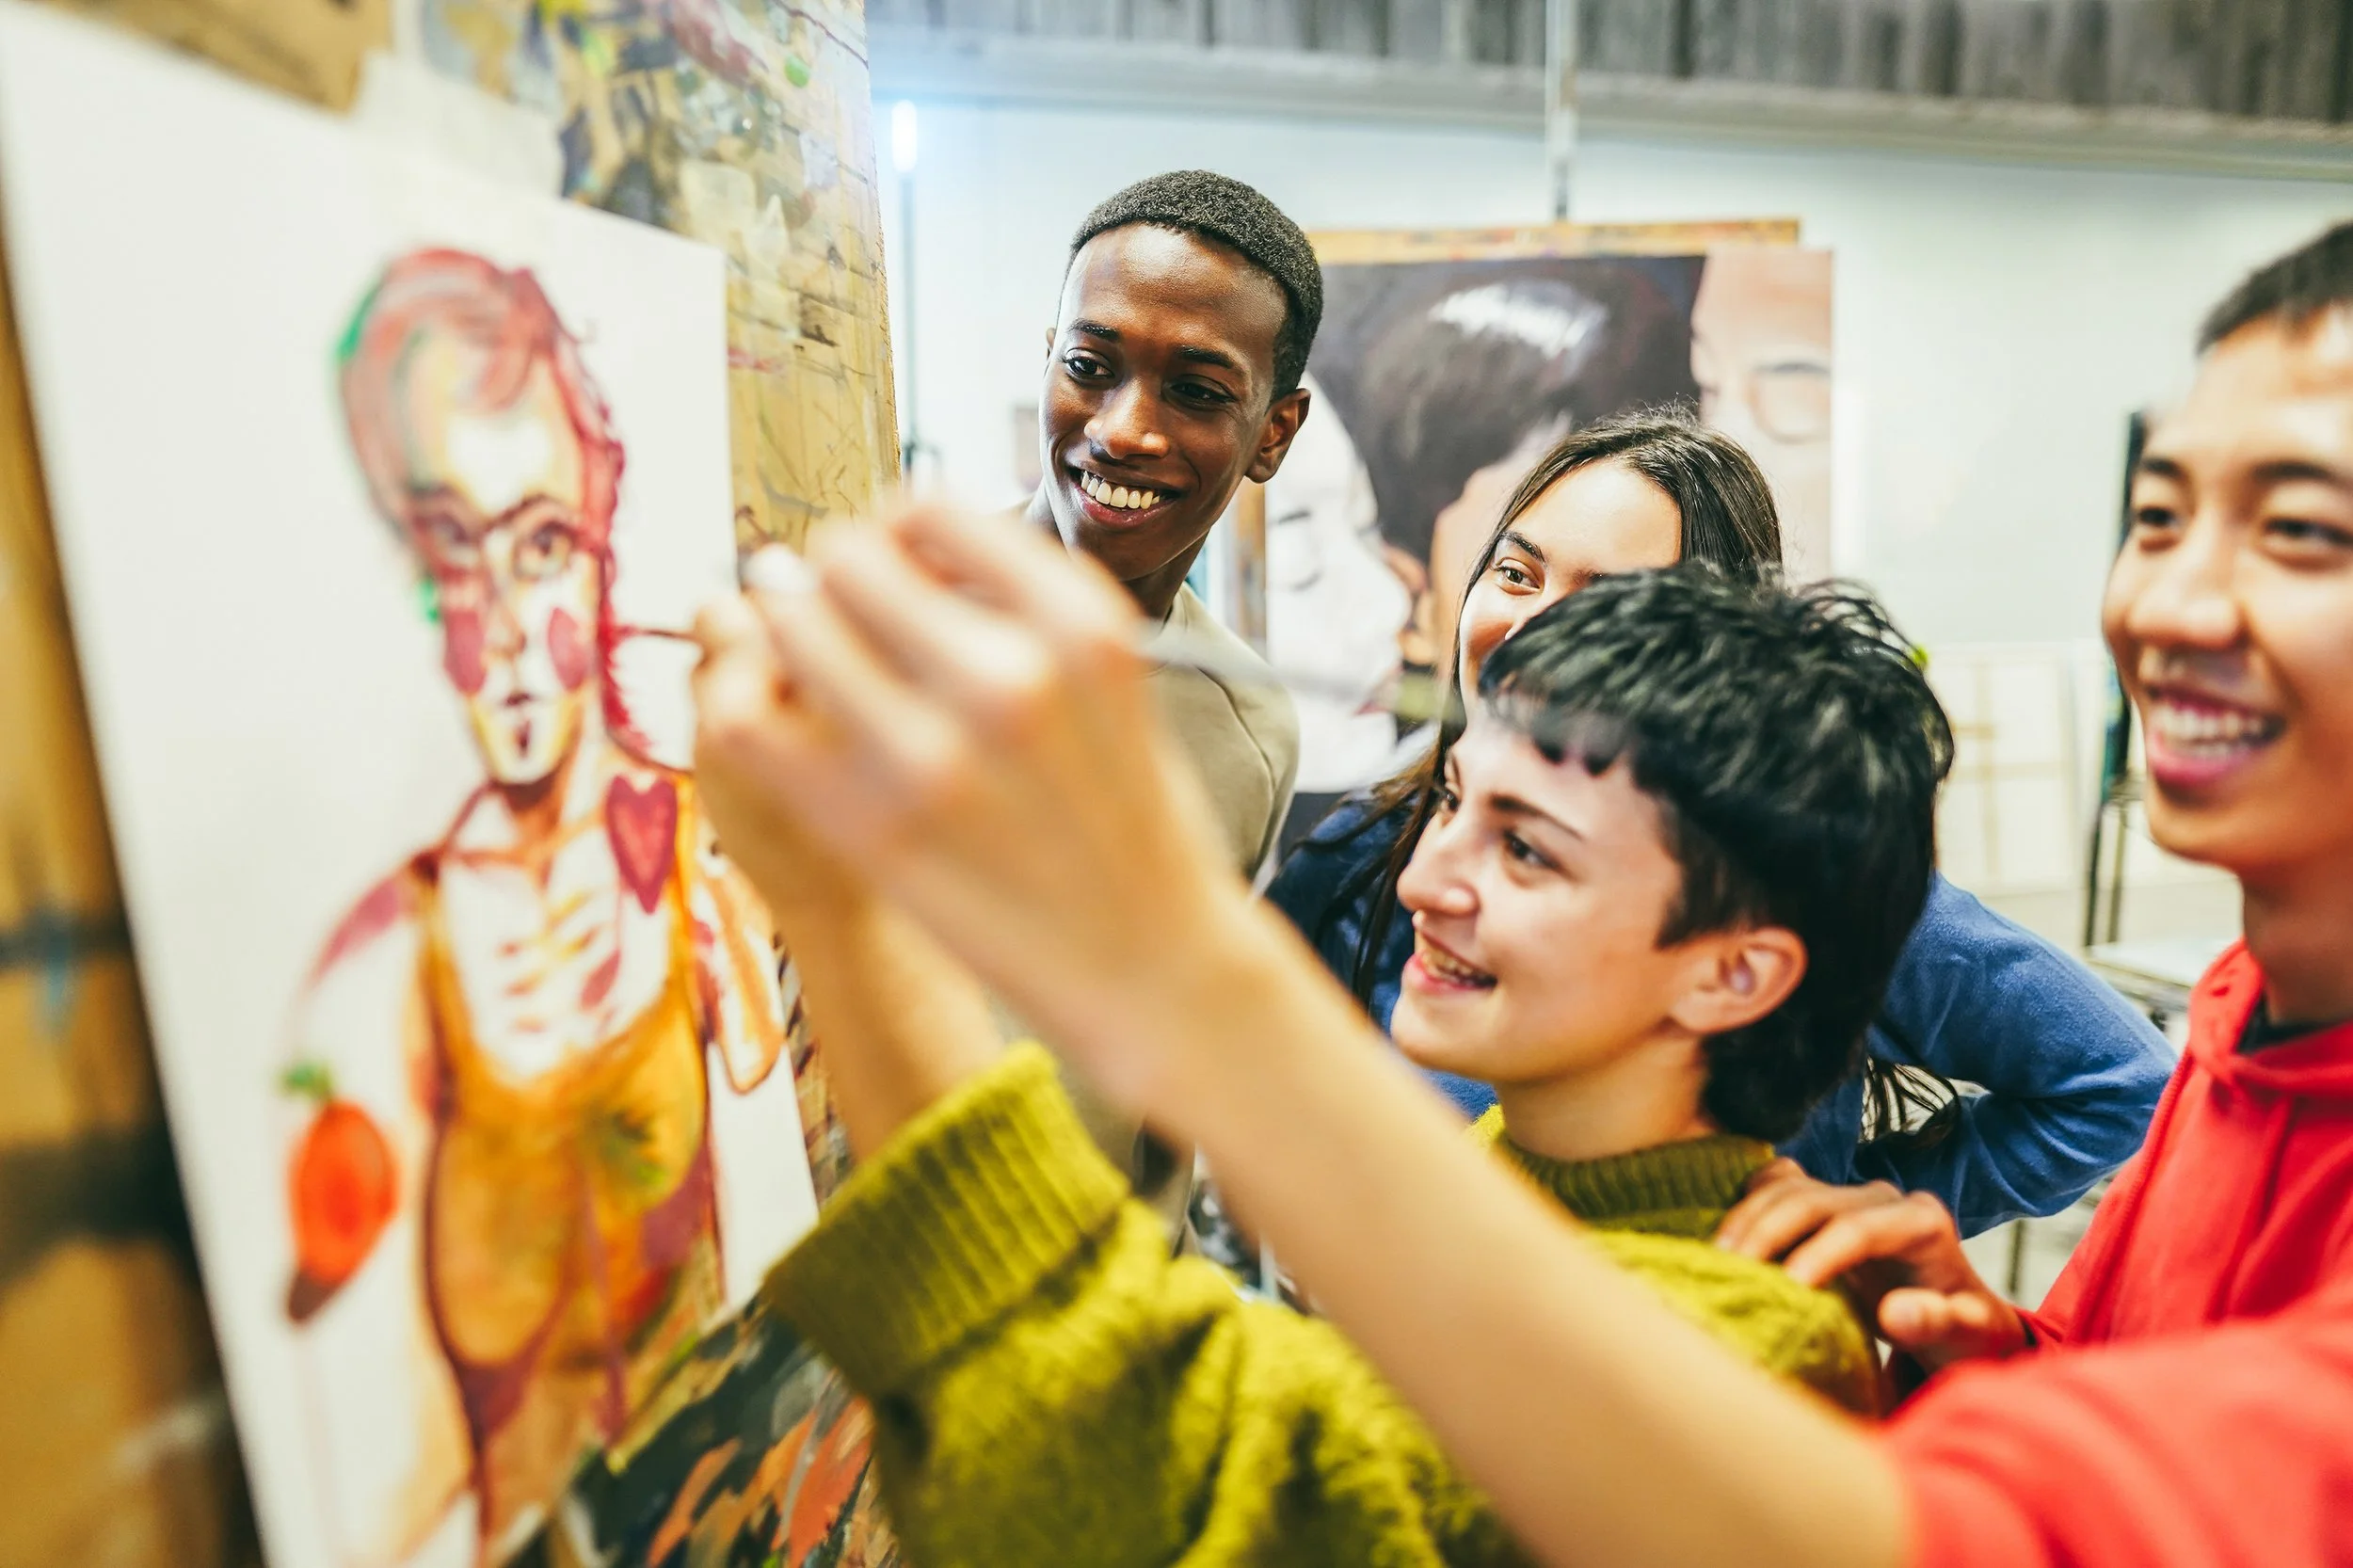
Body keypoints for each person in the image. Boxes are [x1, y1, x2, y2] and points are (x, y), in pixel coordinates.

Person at [694, 217, 2353, 1568]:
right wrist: (2002, 1358)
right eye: (2156, 513)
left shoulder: (1743, 1289)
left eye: (2300, 529)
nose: (2173, 599)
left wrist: (959, 923)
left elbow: (1162, 1474)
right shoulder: (2245, 1031)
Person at [696, 561, 1949, 1561]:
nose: (1425, 879)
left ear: (1734, 974)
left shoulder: (1753, 1347)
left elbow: (1134, 1484)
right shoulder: (1513, 1162)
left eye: (1527, 850)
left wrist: (840, 893)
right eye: (1453, 802)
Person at [1273, 408, 2170, 1233]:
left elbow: (2122, 1084)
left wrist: (1863, 1216)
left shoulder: (1797, 876)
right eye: (1516, 573)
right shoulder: (1375, 843)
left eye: (1607, 608)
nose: (1534, 634)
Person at [280, 249, 806, 1563]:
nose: (508, 627)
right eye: (454, 555)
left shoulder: (701, 861)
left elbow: (789, 1274)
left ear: (605, 546)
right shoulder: (376, 977)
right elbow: (384, 1503)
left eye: (544, 545)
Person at [1020, 168, 1315, 883]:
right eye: (1088, 366)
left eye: (1196, 392)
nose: (1121, 432)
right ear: (1050, 359)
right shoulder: (883, 622)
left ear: (1273, 433)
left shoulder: (1251, 728)